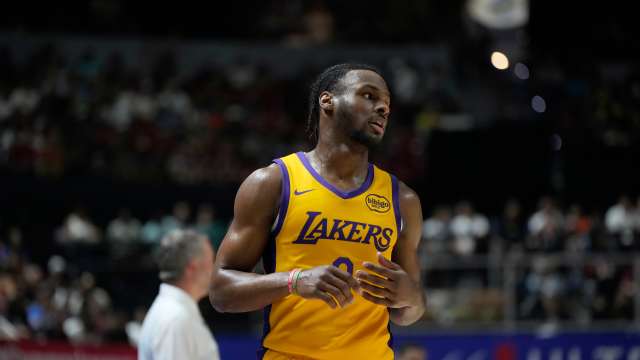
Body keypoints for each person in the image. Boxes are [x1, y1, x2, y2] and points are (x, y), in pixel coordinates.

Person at [209, 63, 426, 359]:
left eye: (386, 104)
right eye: (368, 96)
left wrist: (410, 296)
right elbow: (221, 291)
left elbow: (409, 311)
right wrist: (293, 281)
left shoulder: (403, 199)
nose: (382, 109)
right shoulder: (273, 182)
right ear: (328, 101)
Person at [139, 229, 219, 360]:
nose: (215, 269)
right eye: (211, 261)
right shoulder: (175, 318)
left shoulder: (174, 312)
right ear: (192, 268)